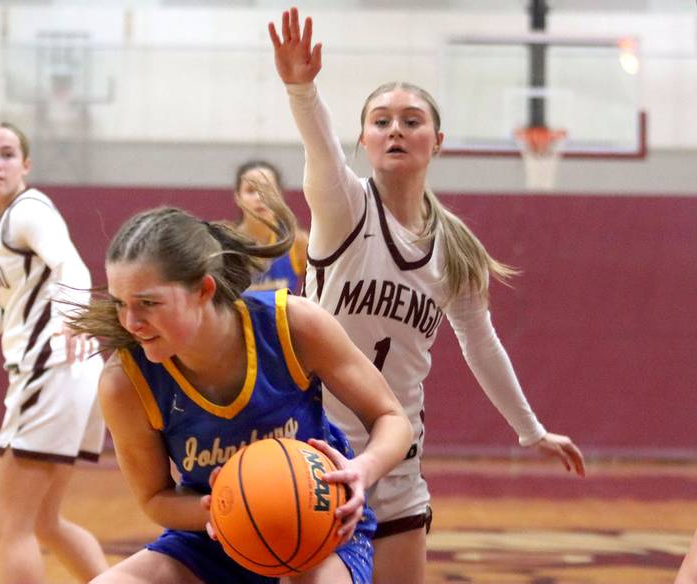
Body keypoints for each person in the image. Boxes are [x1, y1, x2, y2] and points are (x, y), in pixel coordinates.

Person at [268, 8, 587, 584]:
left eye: (411, 121)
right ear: (363, 139)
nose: (395, 130)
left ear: (436, 141)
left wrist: (531, 430)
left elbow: (482, 344)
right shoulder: (344, 207)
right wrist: (301, 87)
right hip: (319, 448)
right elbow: (318, 148)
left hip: (398, 456)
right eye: (381, 121)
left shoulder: (456, 244)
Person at [65, 191, 413, 584]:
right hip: (213, 537)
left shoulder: (292, 326)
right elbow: (153, 499)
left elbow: (392, 418)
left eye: (147, 303)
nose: (130, 322)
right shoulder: (125, 382)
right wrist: (223, 510)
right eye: (120, 304)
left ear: (204, 290)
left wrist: (360, 471)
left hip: (318, 527)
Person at [0, 122, 108, 583]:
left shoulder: (27, 213)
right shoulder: (11, 224)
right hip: (72, 372)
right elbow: (14, 307)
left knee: (12, 527)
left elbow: (70, 265)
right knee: (43, 523)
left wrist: (74, 313)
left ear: (26, 165)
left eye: (8, 154)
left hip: (51, 371)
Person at [232, 159, 308, 294]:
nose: (259, 197)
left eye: (267, 190)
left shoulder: (297, 242)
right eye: (251, 190)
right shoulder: (226, 244)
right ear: (238, 197)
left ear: (280, 196)